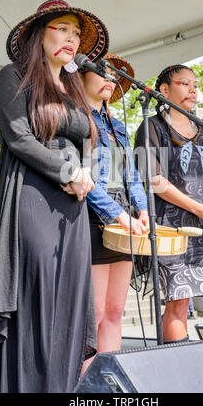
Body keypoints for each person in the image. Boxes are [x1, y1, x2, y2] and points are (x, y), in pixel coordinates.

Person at [0, 0, 109, 393]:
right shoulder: (13, 76)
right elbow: (19, 137)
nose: (71, 39)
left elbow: (90, 138)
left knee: (70, 300)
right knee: (37, 296)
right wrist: (67, 172)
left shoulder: (74, 86)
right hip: (32, 197)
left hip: (72, 207)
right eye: (62, 29)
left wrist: (85, 171)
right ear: (40, 34)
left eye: (76, 33)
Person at [135, 64, 203, 342]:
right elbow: (154, 180)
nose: (193, 89)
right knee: (178, 301)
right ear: (164, 90)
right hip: (173, 228)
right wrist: (198, 208)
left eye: (195, 84)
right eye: (185, 83)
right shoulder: (151, 127)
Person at [80, 54, 148, 359]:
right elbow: (85, 179)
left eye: (113, 75)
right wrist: (120, 216)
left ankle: (109, 379)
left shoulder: (117, 124)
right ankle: (85, 387)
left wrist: (142, 208)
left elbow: (131, 174)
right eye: (102, 73)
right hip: (93, 217)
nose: (110, 79)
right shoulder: (76, 119)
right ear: (82, 76)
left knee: (115, 310)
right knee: (92, 315)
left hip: (124, 217)